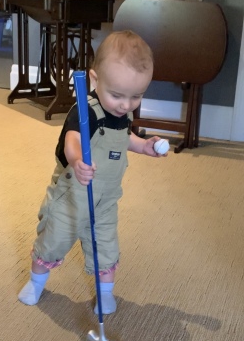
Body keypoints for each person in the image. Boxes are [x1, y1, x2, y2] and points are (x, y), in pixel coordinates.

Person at [18, 30, 168, 314]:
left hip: (105, 201)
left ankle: (105, 294)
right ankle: (36, 283)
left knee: (106, 250)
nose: (126, 105)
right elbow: (71, 140)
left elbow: (124, 137)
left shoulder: (123, 113)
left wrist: (143, 145)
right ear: (95, 80)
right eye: (117, 95)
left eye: (136, 96)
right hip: (72, 195)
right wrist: (77, 161)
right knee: (53, 241)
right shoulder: (86, 111)